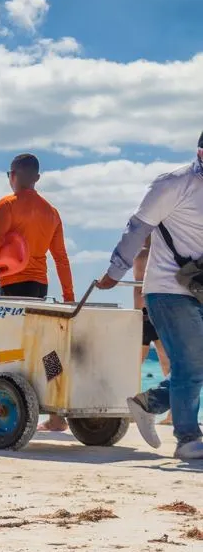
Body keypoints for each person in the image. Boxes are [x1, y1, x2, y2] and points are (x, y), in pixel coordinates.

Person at [98, 131, 203, 460]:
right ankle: (187, 437)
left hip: (198, 290)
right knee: (190, 363)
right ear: (201, 153)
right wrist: (115, 273)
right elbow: (138, 228)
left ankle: (149, 404)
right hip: (167, 289)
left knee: (196, 364)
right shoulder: (173, 184)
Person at [0, 153, 75, 433]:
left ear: (12, 176)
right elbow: (61, 258)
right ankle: (57, 415)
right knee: (43, 349)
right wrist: (68, 296)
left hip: (13, 284)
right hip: (39, 286)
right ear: (37, 178)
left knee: (6, 347)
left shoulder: (7, 204)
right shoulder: (51, 212)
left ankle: (1, 398)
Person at [133, 239, 172, 427]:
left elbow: (137, 289)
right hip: (158, 311)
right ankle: (172, 413)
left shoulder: (141, 253)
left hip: (145, 312)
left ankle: (133, 408)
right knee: (166, 362)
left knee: (136, 365)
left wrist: (136, 314)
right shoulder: (158, 252)